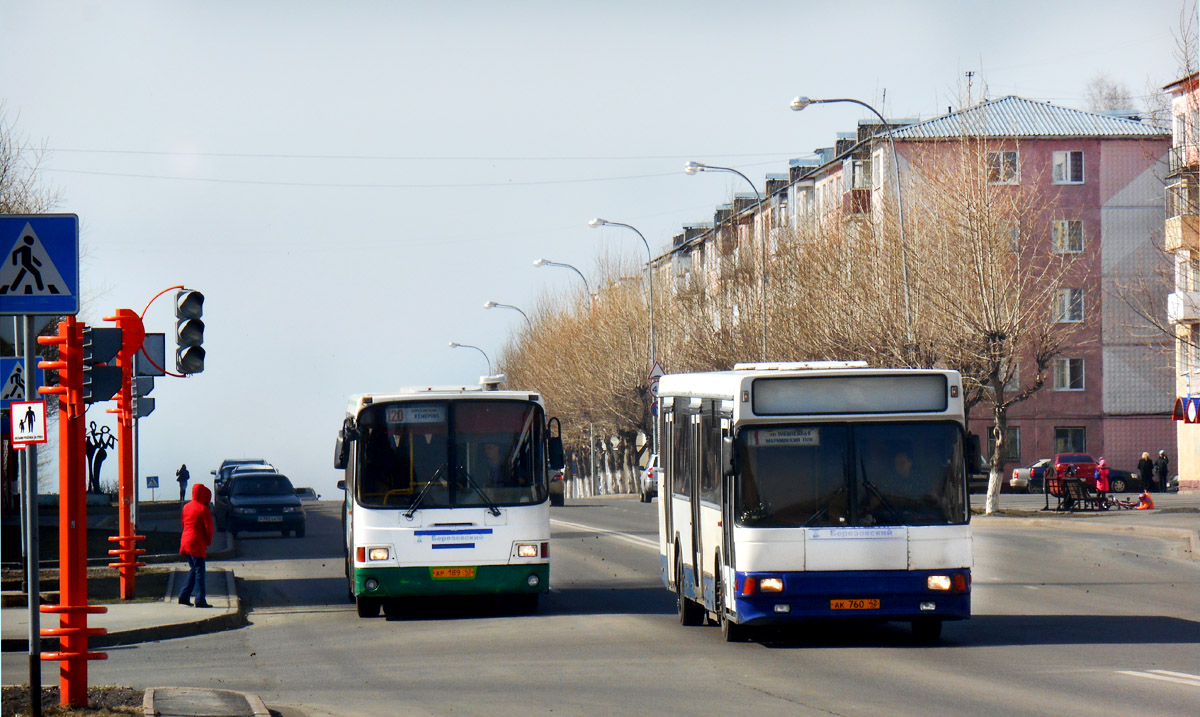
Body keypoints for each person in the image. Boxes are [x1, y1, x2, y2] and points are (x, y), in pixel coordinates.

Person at [178, 483, 214, 608]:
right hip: (197, 543)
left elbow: (183, 523)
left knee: (193, 570)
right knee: (200, 572)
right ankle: (200, 600)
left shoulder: (186, 507)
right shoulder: (203, 509)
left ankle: (183, 596)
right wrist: (208, 542)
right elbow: (208, 529)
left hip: (185, 541)